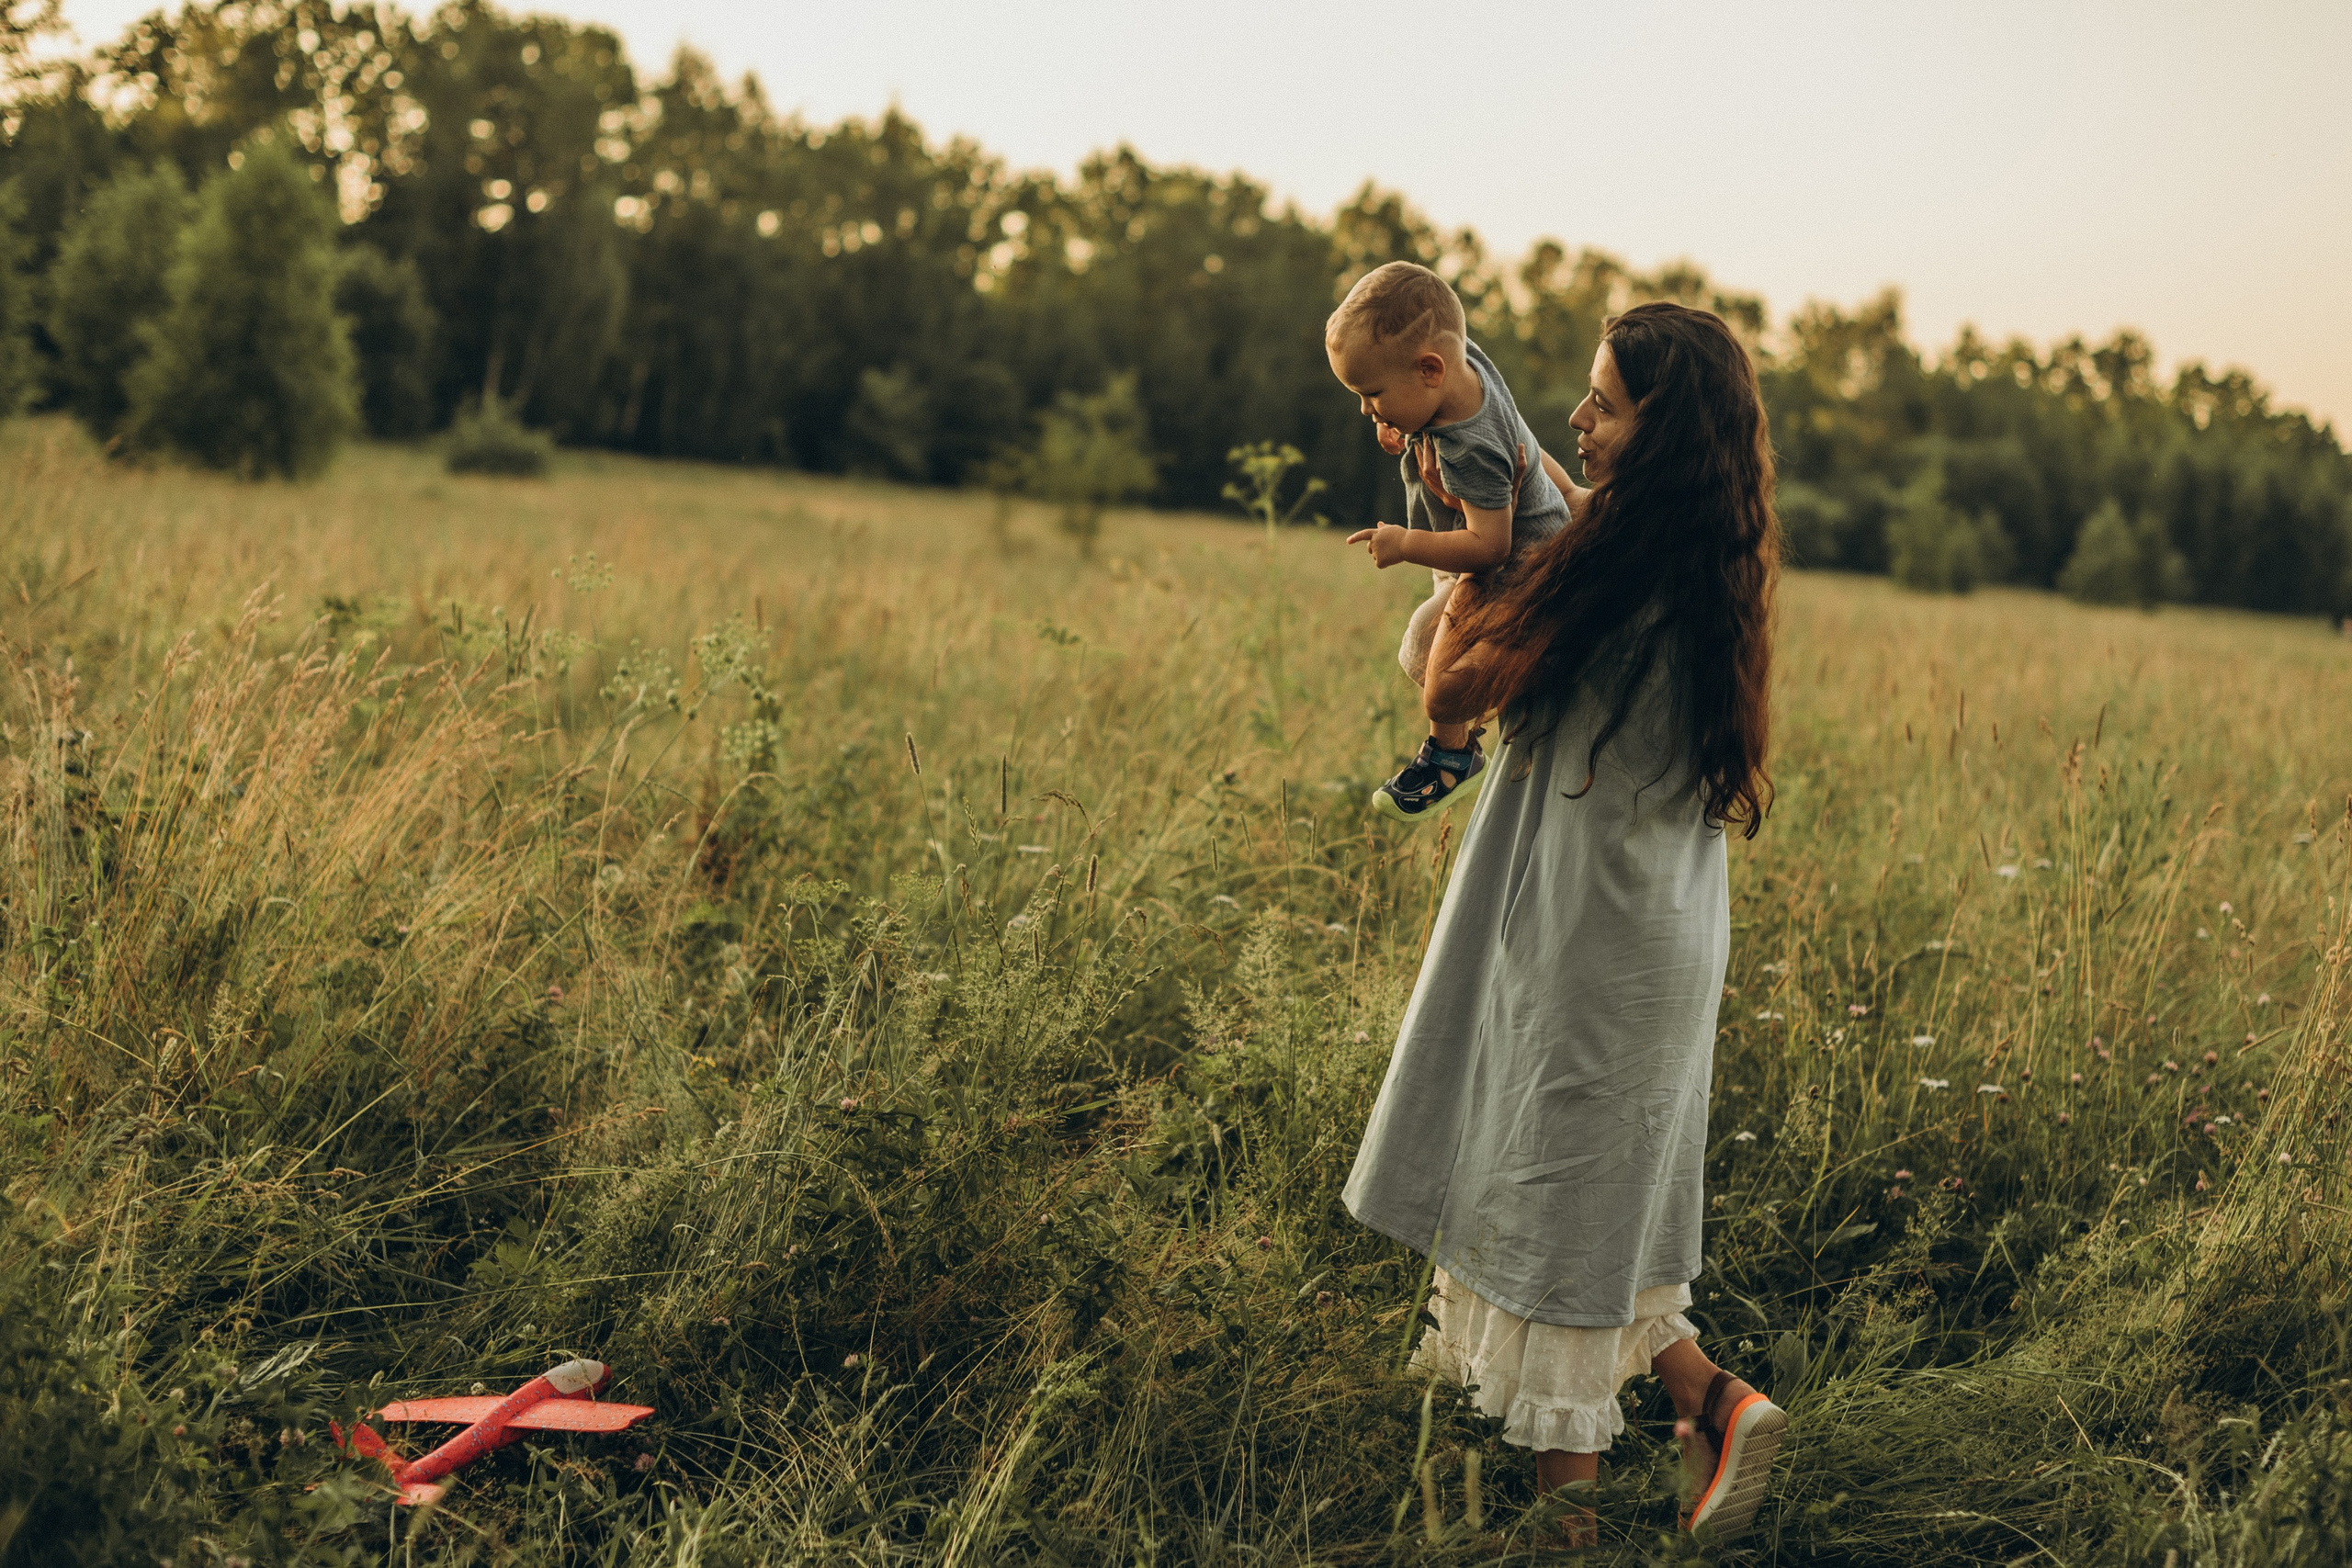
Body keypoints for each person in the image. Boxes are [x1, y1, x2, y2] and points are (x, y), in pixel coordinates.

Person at [1341, 301, 1787, 1545]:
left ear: (1663, 429)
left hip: (1592, 928)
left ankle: (1567, 1531)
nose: (1579, 418)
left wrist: (1466, 554)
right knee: (1600, 1201)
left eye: (1604, 401)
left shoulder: (1610, 558)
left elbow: (1456, 673)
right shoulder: (1702, 549)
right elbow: (1533, 510)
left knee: (1556, 1209)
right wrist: (1491, 488)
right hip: (1662, 921)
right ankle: (1711, 1401)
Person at [1325, 262, 1570, 823]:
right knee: (1434, 638)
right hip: (1493, 548)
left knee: (1424, 642)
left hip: (1517, 568)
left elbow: (1489, 548)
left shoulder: (1470, 448)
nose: (1366, 409)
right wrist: (1401, 421)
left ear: (1430, 369)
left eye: (1371, 394)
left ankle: (1452, 755)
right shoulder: (1465, 364)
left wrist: (1406, 542)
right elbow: (1516, 432)